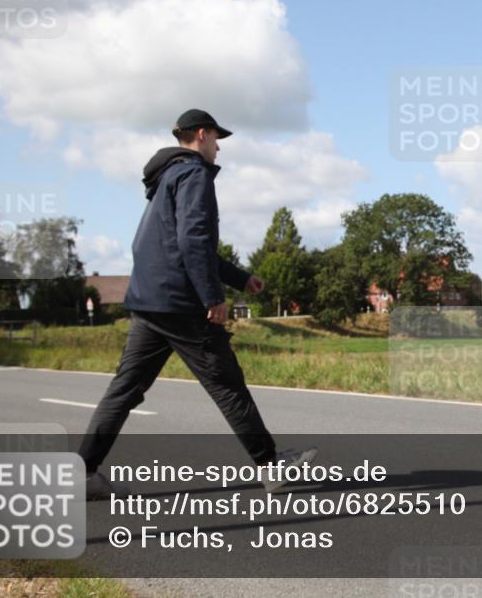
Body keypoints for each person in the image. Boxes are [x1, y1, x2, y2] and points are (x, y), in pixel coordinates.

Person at [78, 109, 316, 499]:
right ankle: (271, 466)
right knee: (227, 385)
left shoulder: (165, 179)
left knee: (124, 390)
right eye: (216, 139)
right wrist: (213, 297)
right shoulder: (194, 173)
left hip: (149, 302)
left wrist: (240, 278)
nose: (219, 147)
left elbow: (185, 243)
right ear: (201, 135)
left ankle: (84, 473)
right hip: (180, 304)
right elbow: (193, 240)